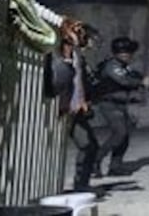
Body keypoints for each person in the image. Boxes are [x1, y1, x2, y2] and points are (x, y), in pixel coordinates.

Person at [48, 17, 99, 192]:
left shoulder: (78, 57)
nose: (88, 40)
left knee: (89, 145)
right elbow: (58, 82)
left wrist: (84, 100)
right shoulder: (56, 56)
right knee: (53, 150)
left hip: (74, 110)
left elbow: (80, 83)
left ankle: (81, 185)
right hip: (58, 109)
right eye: (84, 35)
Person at [90, 36, 145, 178]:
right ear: (120, 52)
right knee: (120, 133)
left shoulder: (122, 66)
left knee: (125, 135)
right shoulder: (112, 65)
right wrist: (141, 82)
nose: (130, 55)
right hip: (109, 103)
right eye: (127, 52)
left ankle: (115, 166)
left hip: (119, 103)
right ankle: (94, 160)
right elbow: (124, 81)